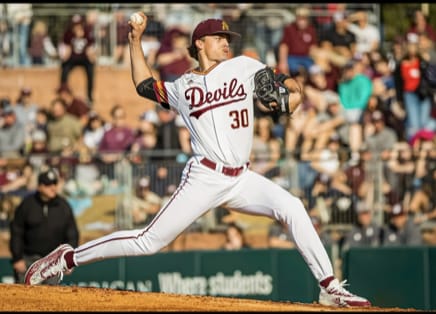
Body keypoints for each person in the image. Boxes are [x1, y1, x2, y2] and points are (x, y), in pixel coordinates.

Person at [24, 15, 371, 308]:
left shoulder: (244, 66)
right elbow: (144, 85)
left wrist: (290, 93)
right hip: (205, 177)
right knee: (149, 242)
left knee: (293, 206)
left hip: (241, 178)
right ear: (200, 43)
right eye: (219, 37)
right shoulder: (182, 86)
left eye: (227, 37)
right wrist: (135, 41)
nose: (226, 42)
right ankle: (68, 258)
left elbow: (285, 85)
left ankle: (329, 287)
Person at [9, 168, 79, 284]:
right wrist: (17, 258)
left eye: (54, 183)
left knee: (50, 299)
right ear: (39, 186)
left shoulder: (63, 206)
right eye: (48, 184)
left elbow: (72, 234)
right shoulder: (27, 204)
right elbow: (17, 232)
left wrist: (69, 260)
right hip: (28, 260)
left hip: (53, 261)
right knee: (25, 298)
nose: (53, 187)